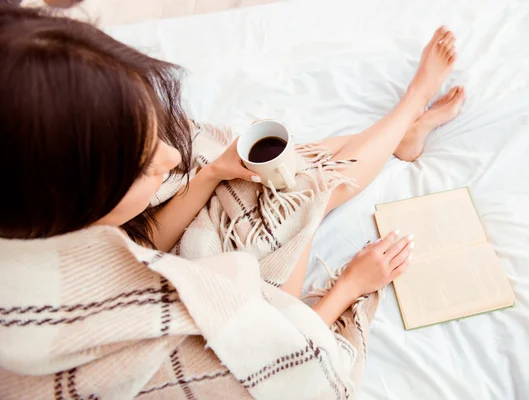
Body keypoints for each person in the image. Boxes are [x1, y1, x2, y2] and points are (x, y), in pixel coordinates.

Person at [0, 5, 463, 399]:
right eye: (141, 165)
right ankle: (410, 110)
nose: (172, 156)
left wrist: (211, 173)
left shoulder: (36, 231)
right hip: (263, 311)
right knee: (310, 189)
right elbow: (280, 368)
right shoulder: (104, 347)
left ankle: (403, 131)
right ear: (72, 202)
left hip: (202, 267)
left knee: (273, 177)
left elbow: (131, 240)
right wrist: (349, 288)